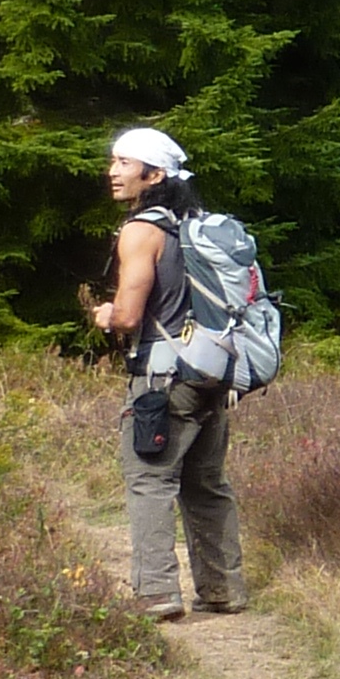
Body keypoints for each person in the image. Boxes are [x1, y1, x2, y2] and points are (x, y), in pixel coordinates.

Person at [88, 126, 246, 620]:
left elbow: (131, 316)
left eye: (124, 164)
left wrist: (106, 314)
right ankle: (223, 590)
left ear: (153, 174)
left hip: (160, 379)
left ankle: (156, 593)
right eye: (113, 162)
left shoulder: (142, 231)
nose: (113, 172)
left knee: (149, 483)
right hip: (211, 372)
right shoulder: (197, 226)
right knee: (206, 483)